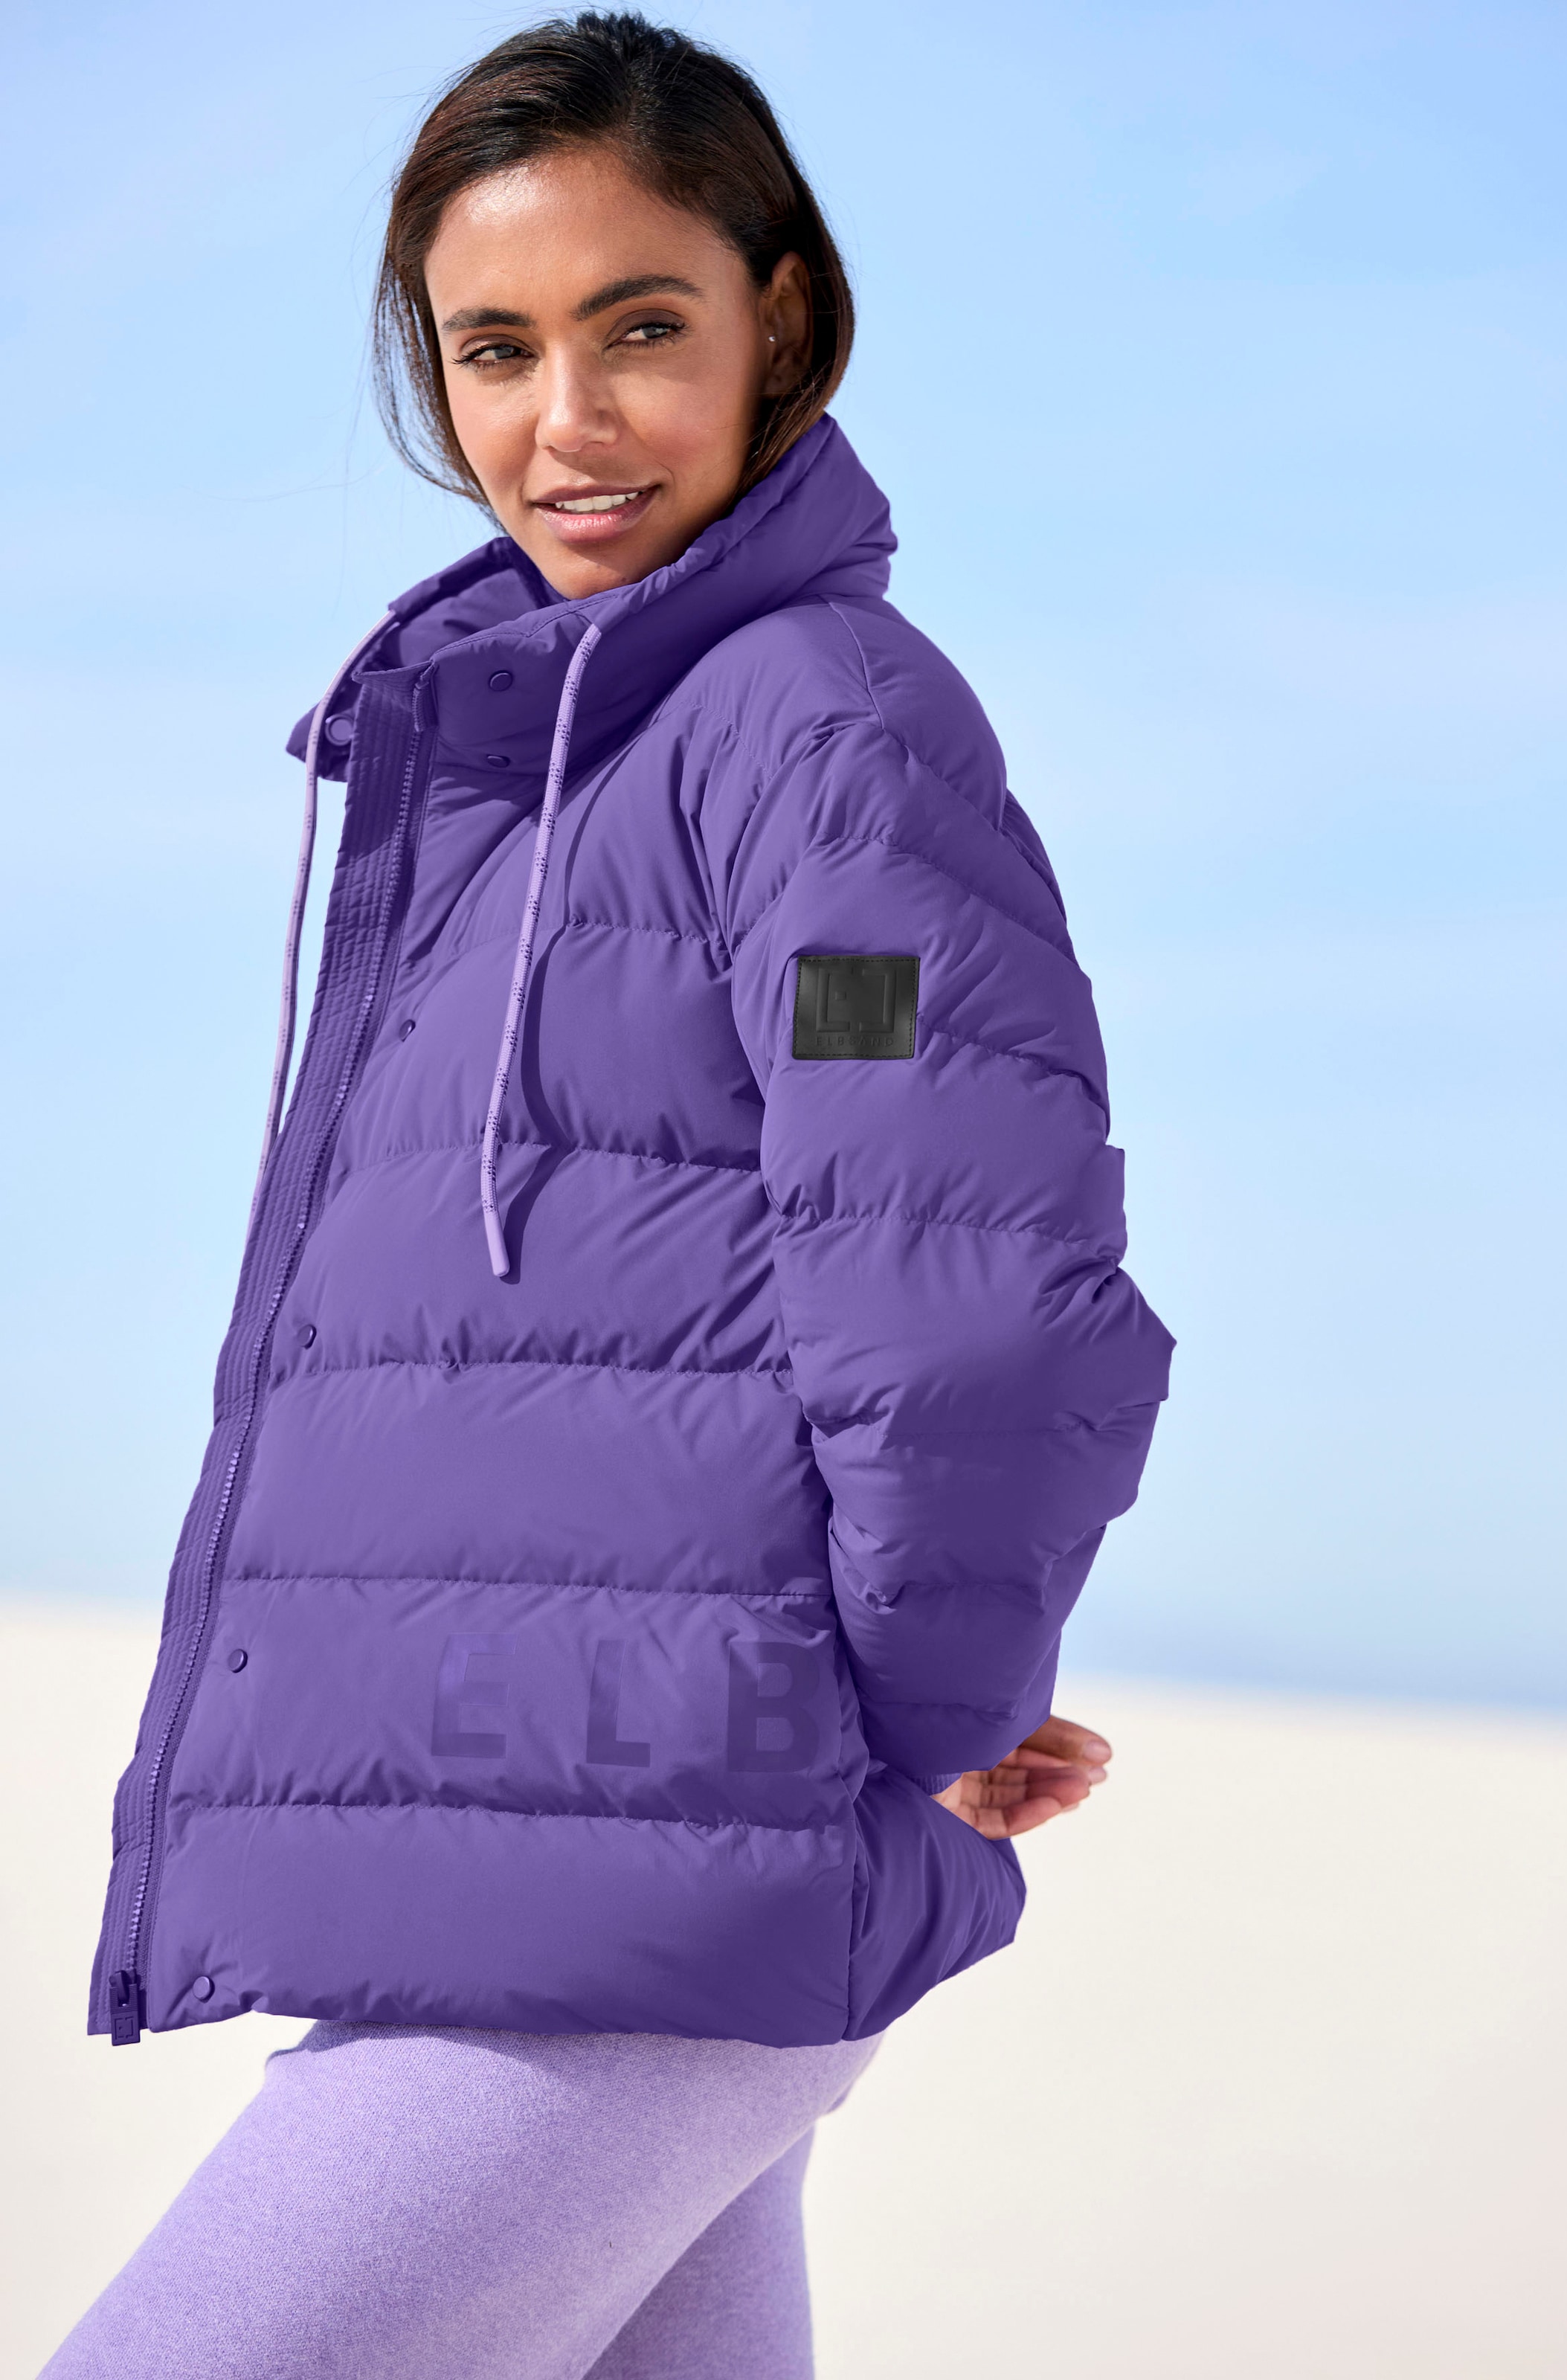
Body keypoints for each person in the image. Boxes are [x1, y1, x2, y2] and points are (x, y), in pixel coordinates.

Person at [48, 13, 1172, 2376]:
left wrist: (941, 1690)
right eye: (495, 349)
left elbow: (946, 1244)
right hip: (553, 1867)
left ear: (783, 316)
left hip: (637, 1892)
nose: (566, 420)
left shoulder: (817, 739)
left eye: (641, 327)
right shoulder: (526, 768)